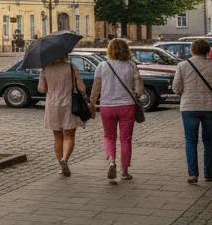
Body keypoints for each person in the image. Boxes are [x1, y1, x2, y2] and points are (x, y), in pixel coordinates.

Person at [172, 38, 212, 183]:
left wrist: (186, 94)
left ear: (192, 50)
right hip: (211, 108)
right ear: (207, 50)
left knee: (191, 140)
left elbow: (176, 88)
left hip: (189, 107)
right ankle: (209, 173)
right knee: (209, 140)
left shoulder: (182, 65)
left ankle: (193, 174)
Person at [91, 38, 143, 183]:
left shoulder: (102, 66)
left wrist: (92, 102)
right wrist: (136, 93)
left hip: (107, 106)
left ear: (109, 50)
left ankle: (112, 161)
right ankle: (125, 170)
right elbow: (139, 89)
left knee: (109, 136)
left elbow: (96, 87)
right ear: (126, 50)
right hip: (127, 106)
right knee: (126, 139)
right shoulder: (131, 65)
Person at [38, 54, 86, 176]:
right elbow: (82, 88)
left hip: (52, 104)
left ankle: (61, 165)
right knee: (69, 135)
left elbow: (42, 89)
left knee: (57, 136)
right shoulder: (71, 67)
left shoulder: (45, 69)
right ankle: (65, 158)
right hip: (69, 103)